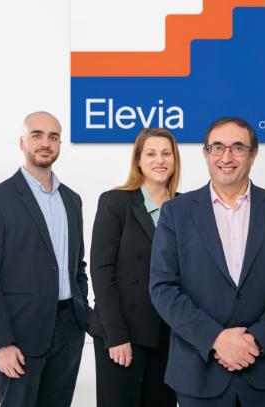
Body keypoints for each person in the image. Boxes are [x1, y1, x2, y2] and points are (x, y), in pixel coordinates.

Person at [149, 117, 265, 407]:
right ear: (205, 153)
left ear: (253, 153)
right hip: (199, 374)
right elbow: (163, 287)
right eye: (217, 147)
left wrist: (255, 340)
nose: (226, 157)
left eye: (237, 147)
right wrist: (215, 338)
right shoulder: (176, 212)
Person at [0, 111, 90, 407]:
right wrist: (1, 343)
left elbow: (77, 266)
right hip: (20, 336)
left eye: (53, 137)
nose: (45, 143)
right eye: (37, 135)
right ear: (22, 142)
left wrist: (80, 313)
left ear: (59, 144)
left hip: (69, 331)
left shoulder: (72, 200)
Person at [88, 128, 180, 407]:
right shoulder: (115, 202)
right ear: (138, 161)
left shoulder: (186, 206)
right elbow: (102, 272)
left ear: (174, 159)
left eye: (166, 153)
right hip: (123, 333)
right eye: (150, 154)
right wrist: (116, 336)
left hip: (169, 335)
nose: (159, 160)